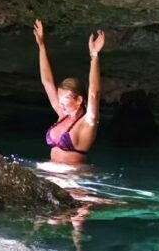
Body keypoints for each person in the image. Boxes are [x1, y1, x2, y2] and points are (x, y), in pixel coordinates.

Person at [33, 18, 105, 166]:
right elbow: (47, 82)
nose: (60, 103)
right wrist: (41, 46)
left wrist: (94, 56)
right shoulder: (62, 113)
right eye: (59, 99)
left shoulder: (88, 122)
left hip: (73, 180)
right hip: (51, 174)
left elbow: (94, 93)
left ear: (78, 100)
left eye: (64, 99)